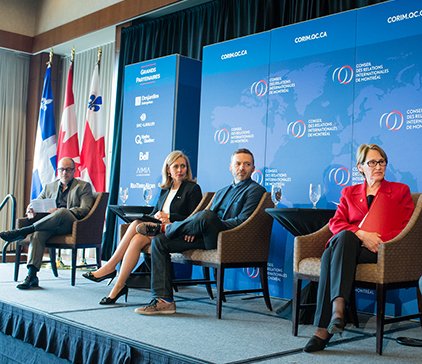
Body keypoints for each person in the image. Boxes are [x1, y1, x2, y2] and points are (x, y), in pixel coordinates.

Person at [304, 144, 414, 353]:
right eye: (372, 162)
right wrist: (362, 235)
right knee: (344, 238)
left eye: (381, 161)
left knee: (330, 254)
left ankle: (326, 325)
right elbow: (336, 223)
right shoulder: (349, 192)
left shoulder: (400, 191)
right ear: (360, 167)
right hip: (354, 246)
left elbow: (406, 227)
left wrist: (380, 240)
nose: (378, 166)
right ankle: (336, 312)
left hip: (382, 250)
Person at [133, 148, 266, 315]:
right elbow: (199, 218)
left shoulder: (256, 191)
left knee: (207, 215)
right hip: (204, 236)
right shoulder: (222, 191)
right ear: (230, 167)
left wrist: (205, 223)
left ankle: (165, 227)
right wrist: (194, 229)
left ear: (253, 168)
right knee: (160, 242)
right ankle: (164, 301)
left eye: (247, 164)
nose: (242, 168)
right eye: (238, 164)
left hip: (226, 238)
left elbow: (241, 222)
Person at [82, 150, 202, 305]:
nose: (180, 170)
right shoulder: (166, 189)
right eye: (176, 166)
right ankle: (118, 286)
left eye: (183, 166)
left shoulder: (192, 189)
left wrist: (170, 217)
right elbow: (154, 212)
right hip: (158, 228)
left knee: (136, 225)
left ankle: (110, 268)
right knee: (137, 237)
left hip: (176, 231)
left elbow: (193, 218)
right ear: (168, 170)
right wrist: (158, 215)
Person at [0, 158, 94, 289]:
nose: (64, 173)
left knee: (61, 212)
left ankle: (24, 231)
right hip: (50, 225)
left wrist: (61, 211)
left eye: (68, 170)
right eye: (62, 169)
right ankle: (31, 275)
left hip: (71, 224)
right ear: (57, 171)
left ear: (74, 171)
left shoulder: (83, 186)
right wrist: (30, 209)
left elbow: (85, 210)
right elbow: (36, 202)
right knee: (38, 234)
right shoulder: (49, 187)